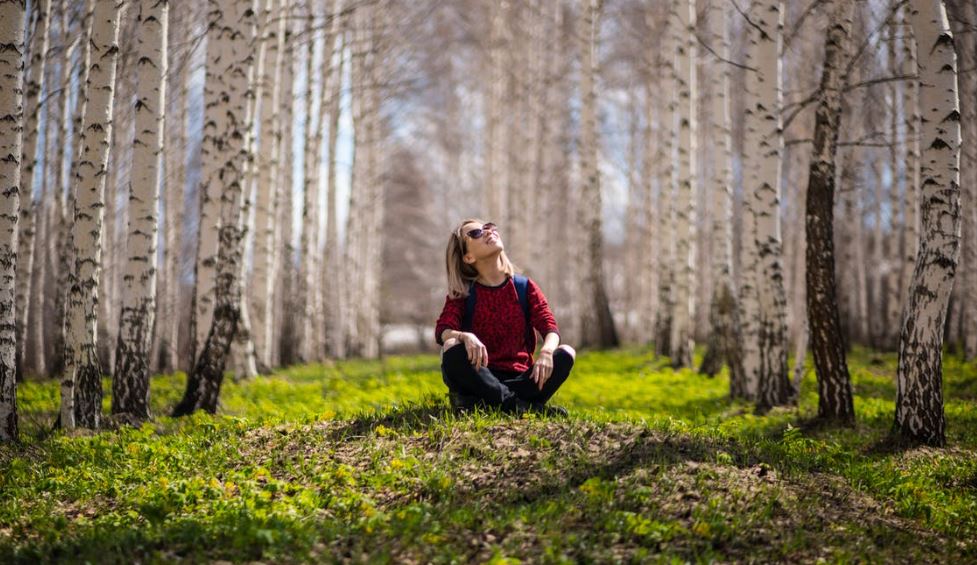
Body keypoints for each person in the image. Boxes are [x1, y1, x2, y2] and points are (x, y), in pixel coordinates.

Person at [434, 218, 575, 416]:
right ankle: (521, 407)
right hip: (480, 377)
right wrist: (465, 336)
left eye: (488, 227)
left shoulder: (524, 287)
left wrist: (546, 352)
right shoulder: (463, 292)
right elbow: (443, 331)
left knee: (566, 352)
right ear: (468, 257)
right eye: (476, 233)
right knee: (451, 346)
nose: (488, 232)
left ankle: (494, 404)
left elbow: (549, 327)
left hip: (522, 380)